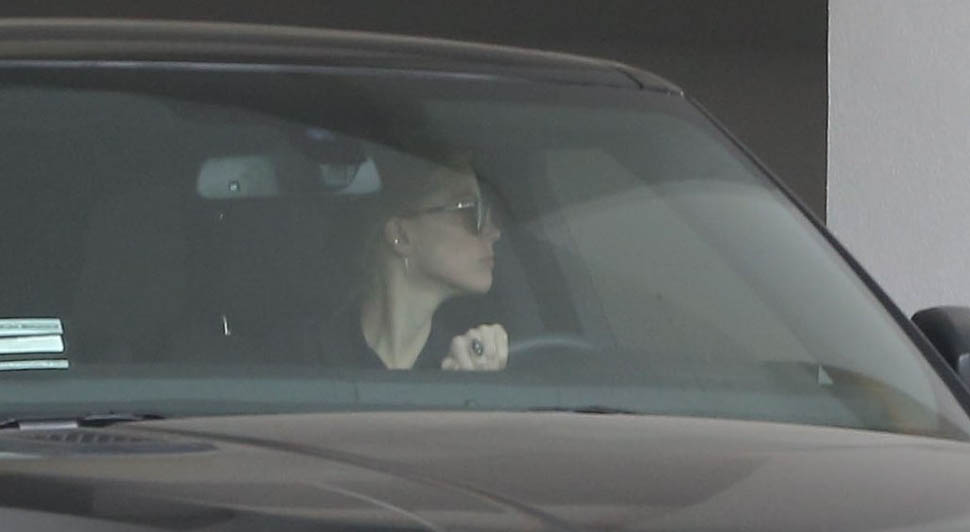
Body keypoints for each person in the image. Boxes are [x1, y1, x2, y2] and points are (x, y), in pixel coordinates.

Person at [310, 147, 508, 371]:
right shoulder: (297, 360)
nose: (494, 232)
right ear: (401, 235)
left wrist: (474, 385)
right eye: (470, 210)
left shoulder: (462, 365)